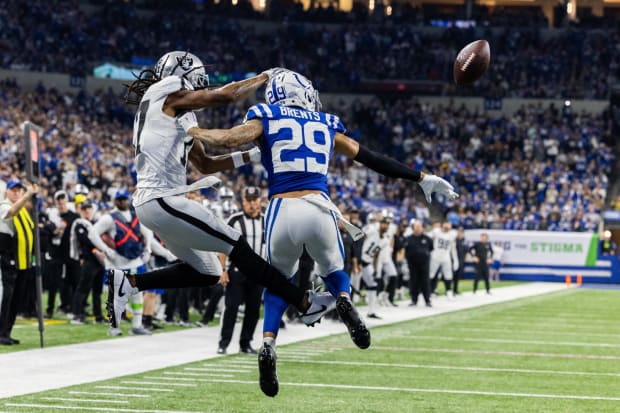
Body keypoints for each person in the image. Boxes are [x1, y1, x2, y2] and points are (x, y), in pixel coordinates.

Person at [196, 69, 458, 396]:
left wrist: (191, 130)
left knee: (278, 281)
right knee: (335, 270)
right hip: (319, 207)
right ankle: (344, 300)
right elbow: (373, 159)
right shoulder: (325, 123)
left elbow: (229, 139)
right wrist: (421, 178)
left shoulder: (267, 115)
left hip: (281, 209)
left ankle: (268, 343)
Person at [108, 51, 336, 349]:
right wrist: (264, 76)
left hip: (158, 204)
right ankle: (304, 302)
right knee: (238, 246)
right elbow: (226, 96)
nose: (200, 89)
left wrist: (254, 154)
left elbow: (206, 165)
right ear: (181, 74)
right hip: (162, 199)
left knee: (209, 271)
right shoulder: (166, 90)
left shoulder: (174, 110)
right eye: (197, 82)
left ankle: (129, 283)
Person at [89, 190, 154, 336]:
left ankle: (137, 325)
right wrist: (105, 249)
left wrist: (148, 248)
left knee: (137, 294)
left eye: (125, 199)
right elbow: (92, 233)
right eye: (120, 200)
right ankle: (114, 326)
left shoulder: (135, 215)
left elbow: (148, 232)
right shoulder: (109, 218)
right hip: (117, 263)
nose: (123, 202)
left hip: (135, 261)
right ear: (115, 201)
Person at [217, 186, 265, 355]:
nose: (251, 204)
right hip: (237, 271)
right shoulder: (234, 220)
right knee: (232, 308)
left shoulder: (266, 220)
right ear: (243, 201)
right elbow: (222, 245)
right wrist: (222, 270)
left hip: (258, 274)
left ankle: (245, 343)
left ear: (260, 200)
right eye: (248, 200)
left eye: (254, 200)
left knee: (253, 311)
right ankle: (223, 343)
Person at [0, 179, 38, 345]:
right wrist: (28, 195)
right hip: (7, 258)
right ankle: (1, 332)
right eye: (13, 190)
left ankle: (7, 331)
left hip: (23, 260)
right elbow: (11, 213)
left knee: (16, 299)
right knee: (6, 297)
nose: (16, 193)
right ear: (6, 192)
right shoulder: (4, 205)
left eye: (19, 190)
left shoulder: (24, 210)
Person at [69, 197, 105, 324]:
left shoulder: (95, 223)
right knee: (83, 289)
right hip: (89, 260)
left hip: (99, 261)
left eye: (89, 208)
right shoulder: (80, 224)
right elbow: (86, 241)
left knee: (97, 291)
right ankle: (77, 315)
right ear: (81, 211)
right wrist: (102, 248)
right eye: (84, 209)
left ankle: (98, 316)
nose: (87, 211)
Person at [405, 220, 433, 307]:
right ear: (413, 228)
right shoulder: (409, 238)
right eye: (416, 227)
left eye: (419, 227)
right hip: (412, 264)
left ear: (422, 228)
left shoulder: (427, 238)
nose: (418, 228)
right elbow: (405, 250)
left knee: (425, 282)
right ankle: (414, 300)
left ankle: (427, 300)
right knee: (414, 282)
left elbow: (431, 248)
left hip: (424, 264)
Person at [429, 222, 459, 298]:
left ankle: (449, 291)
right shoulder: (436, 232)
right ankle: (428, 291)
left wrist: (455, 260)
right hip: (436, 255)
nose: (447, 228)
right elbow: (428, 237)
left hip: (446, 256)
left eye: (448, 227)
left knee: (448, 275)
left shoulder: (452, 235)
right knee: (431, 274)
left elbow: (453, 248)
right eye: (446, 226)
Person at [453, 227, 467, 295]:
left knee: (458, 276)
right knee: (452, 275)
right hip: (454, 260)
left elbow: (466, 250)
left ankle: (455, 290)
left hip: (461, 260)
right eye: (459, 231)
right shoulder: (454, 240)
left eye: (461, 232)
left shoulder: (463, 240)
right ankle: (449, 290)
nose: (460, 233)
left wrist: (465, 257)